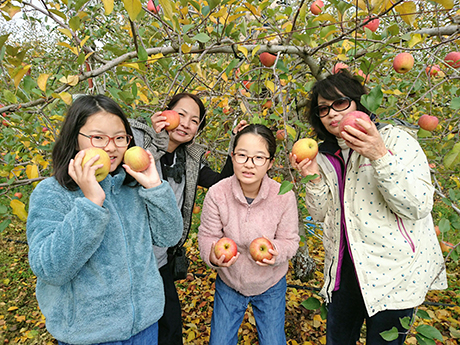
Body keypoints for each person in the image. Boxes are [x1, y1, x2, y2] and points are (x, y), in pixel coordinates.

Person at [289, 71, 447, 345]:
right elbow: (320, 214)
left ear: (359, 103)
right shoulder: (325, 155)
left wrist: (379, 155)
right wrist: (312, 176)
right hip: (344, 272)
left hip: (393, 274)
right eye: (323, 109)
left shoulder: (395, 140)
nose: (331, 114)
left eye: (340, 103)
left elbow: (418, 204)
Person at [26, 95, 183, 345]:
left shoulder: (132, 187)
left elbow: (169, 236)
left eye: (120, 138)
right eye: (98, 137)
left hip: (144, 327)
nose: (111, 147)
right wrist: (90, 203)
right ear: (75, 138)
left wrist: (155, 187)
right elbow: (50, 269)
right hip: (89, 335)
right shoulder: (52, 193)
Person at [129, 92, 247, 345]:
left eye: (194, 121)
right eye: (180, 114)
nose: (185, 123)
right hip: (131, 256)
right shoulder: (138, 142)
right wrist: (157, 138)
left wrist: (235, 146)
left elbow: (221, 183)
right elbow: (129, 173)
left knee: (170, 326)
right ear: (165, 112)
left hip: (161, 258)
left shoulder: (189, 160)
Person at [198, 124, 300, 345]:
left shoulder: (283, 195)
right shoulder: (218, 193)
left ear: (270, 162)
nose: (249, 164)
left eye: (258, 158)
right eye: (242, 155)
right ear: (232, 156)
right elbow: (207, 236)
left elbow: (290, 240)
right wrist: (213, 256)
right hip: (230, 281)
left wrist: (276, 252)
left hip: (270, 283)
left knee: (273, 341)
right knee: (220, 341)